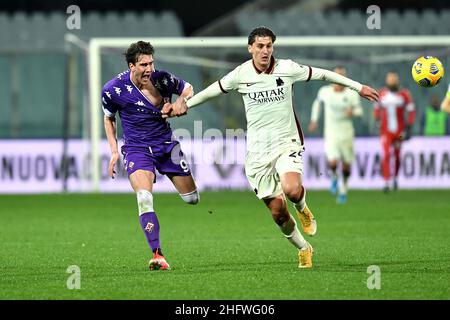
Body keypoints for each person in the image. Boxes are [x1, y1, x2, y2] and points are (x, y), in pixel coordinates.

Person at [163, 26, 379, 268]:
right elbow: (211, 92)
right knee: (278, 213)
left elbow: (323, 75)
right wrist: (184, 107)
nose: (265, 51)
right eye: (260, 46)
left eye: (268, 46)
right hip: (257, 153)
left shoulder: (287, 68)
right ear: (250, 48)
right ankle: (304, 248)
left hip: (287, 142)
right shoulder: (240, 74)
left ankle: (303, 207)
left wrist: (358, 87)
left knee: (292, 190)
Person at [102, 41, 199, 271]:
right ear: (131, 65)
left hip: (167, 146)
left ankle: (184, 190)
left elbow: (189, 89)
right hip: (137, 148)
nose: (149, 69)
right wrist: (114, 151)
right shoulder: (113, 89)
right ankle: (157, 254)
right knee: (144, 197)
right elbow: (108, 118)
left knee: (192, 199)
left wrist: (179, 102)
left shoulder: (162, 79)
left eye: (151, 63)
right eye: (144, 64)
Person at [308, 66, 363, 204]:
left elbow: (359, 111)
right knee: (333, 161)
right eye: (336, 75)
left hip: (346, 133)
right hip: (331, 132)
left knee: (346, 165)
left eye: (341, 76)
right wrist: (314, 120)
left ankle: (343, 190)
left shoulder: (351, 93)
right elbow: (317, 104)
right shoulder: (325, 92)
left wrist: (354, 113)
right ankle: (333, 176)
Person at [374, 71, 415, 193]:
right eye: (390, 79)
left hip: (400, 132)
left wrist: (409, 127)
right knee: (386, 155)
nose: (392, 81)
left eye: (394, 79)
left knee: (397, 155)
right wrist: (377, 120)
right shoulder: (381, 93)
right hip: (385, 131)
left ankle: (395, 178)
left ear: (397, 80)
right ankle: (386, 182)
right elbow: (376, 108)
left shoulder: (404, 94)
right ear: (387, 80)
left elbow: (411, 110)